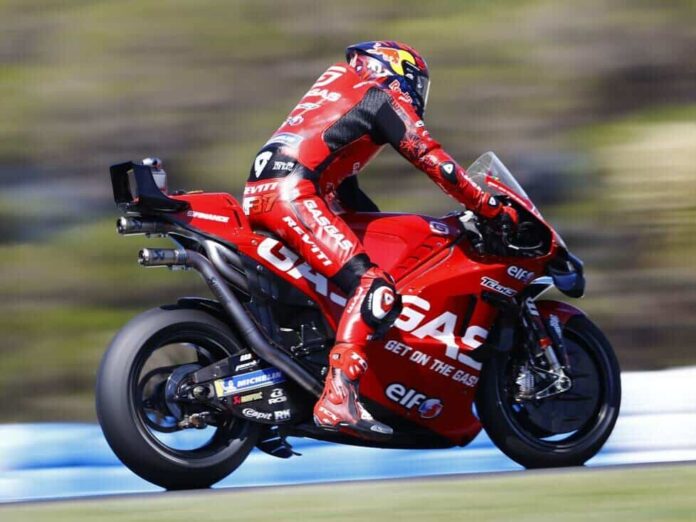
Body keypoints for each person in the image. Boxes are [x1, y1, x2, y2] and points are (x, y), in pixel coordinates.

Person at [243, 41, 517, 441]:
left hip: (267, 194)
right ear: (396, 72)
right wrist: (489, 207)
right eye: (417, 85)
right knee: (374, 288)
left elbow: (348, 195)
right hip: (292, 194)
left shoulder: (338, 98)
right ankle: (340, 397)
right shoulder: (378, 96)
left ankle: (281, 394)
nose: (418, 96)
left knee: (334, 288)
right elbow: (433, 160)